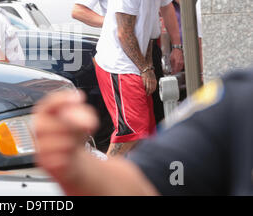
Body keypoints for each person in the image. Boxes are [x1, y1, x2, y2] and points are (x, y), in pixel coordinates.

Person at [33, 67, 253, 195]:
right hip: (128, 72)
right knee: (130, 131)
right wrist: (82, 170)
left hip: (139, 72)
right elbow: (151, 181)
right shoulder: (238, 100)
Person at [72, 0, 184, 125]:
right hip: (122, 57)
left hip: (149, 49)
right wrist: (114, 26)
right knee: (131, 127)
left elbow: (167, 6)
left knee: (154, 115)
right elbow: (78, 10)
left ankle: (149, 156)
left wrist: (177, 47)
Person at [94, 0, 175, 156]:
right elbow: (124, 33)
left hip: (133, 66)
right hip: (118, 66)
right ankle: (102, 183)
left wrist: (147, 68)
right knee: (131, 132)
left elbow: (149, 36)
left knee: (145, 131)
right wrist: (145, 69)